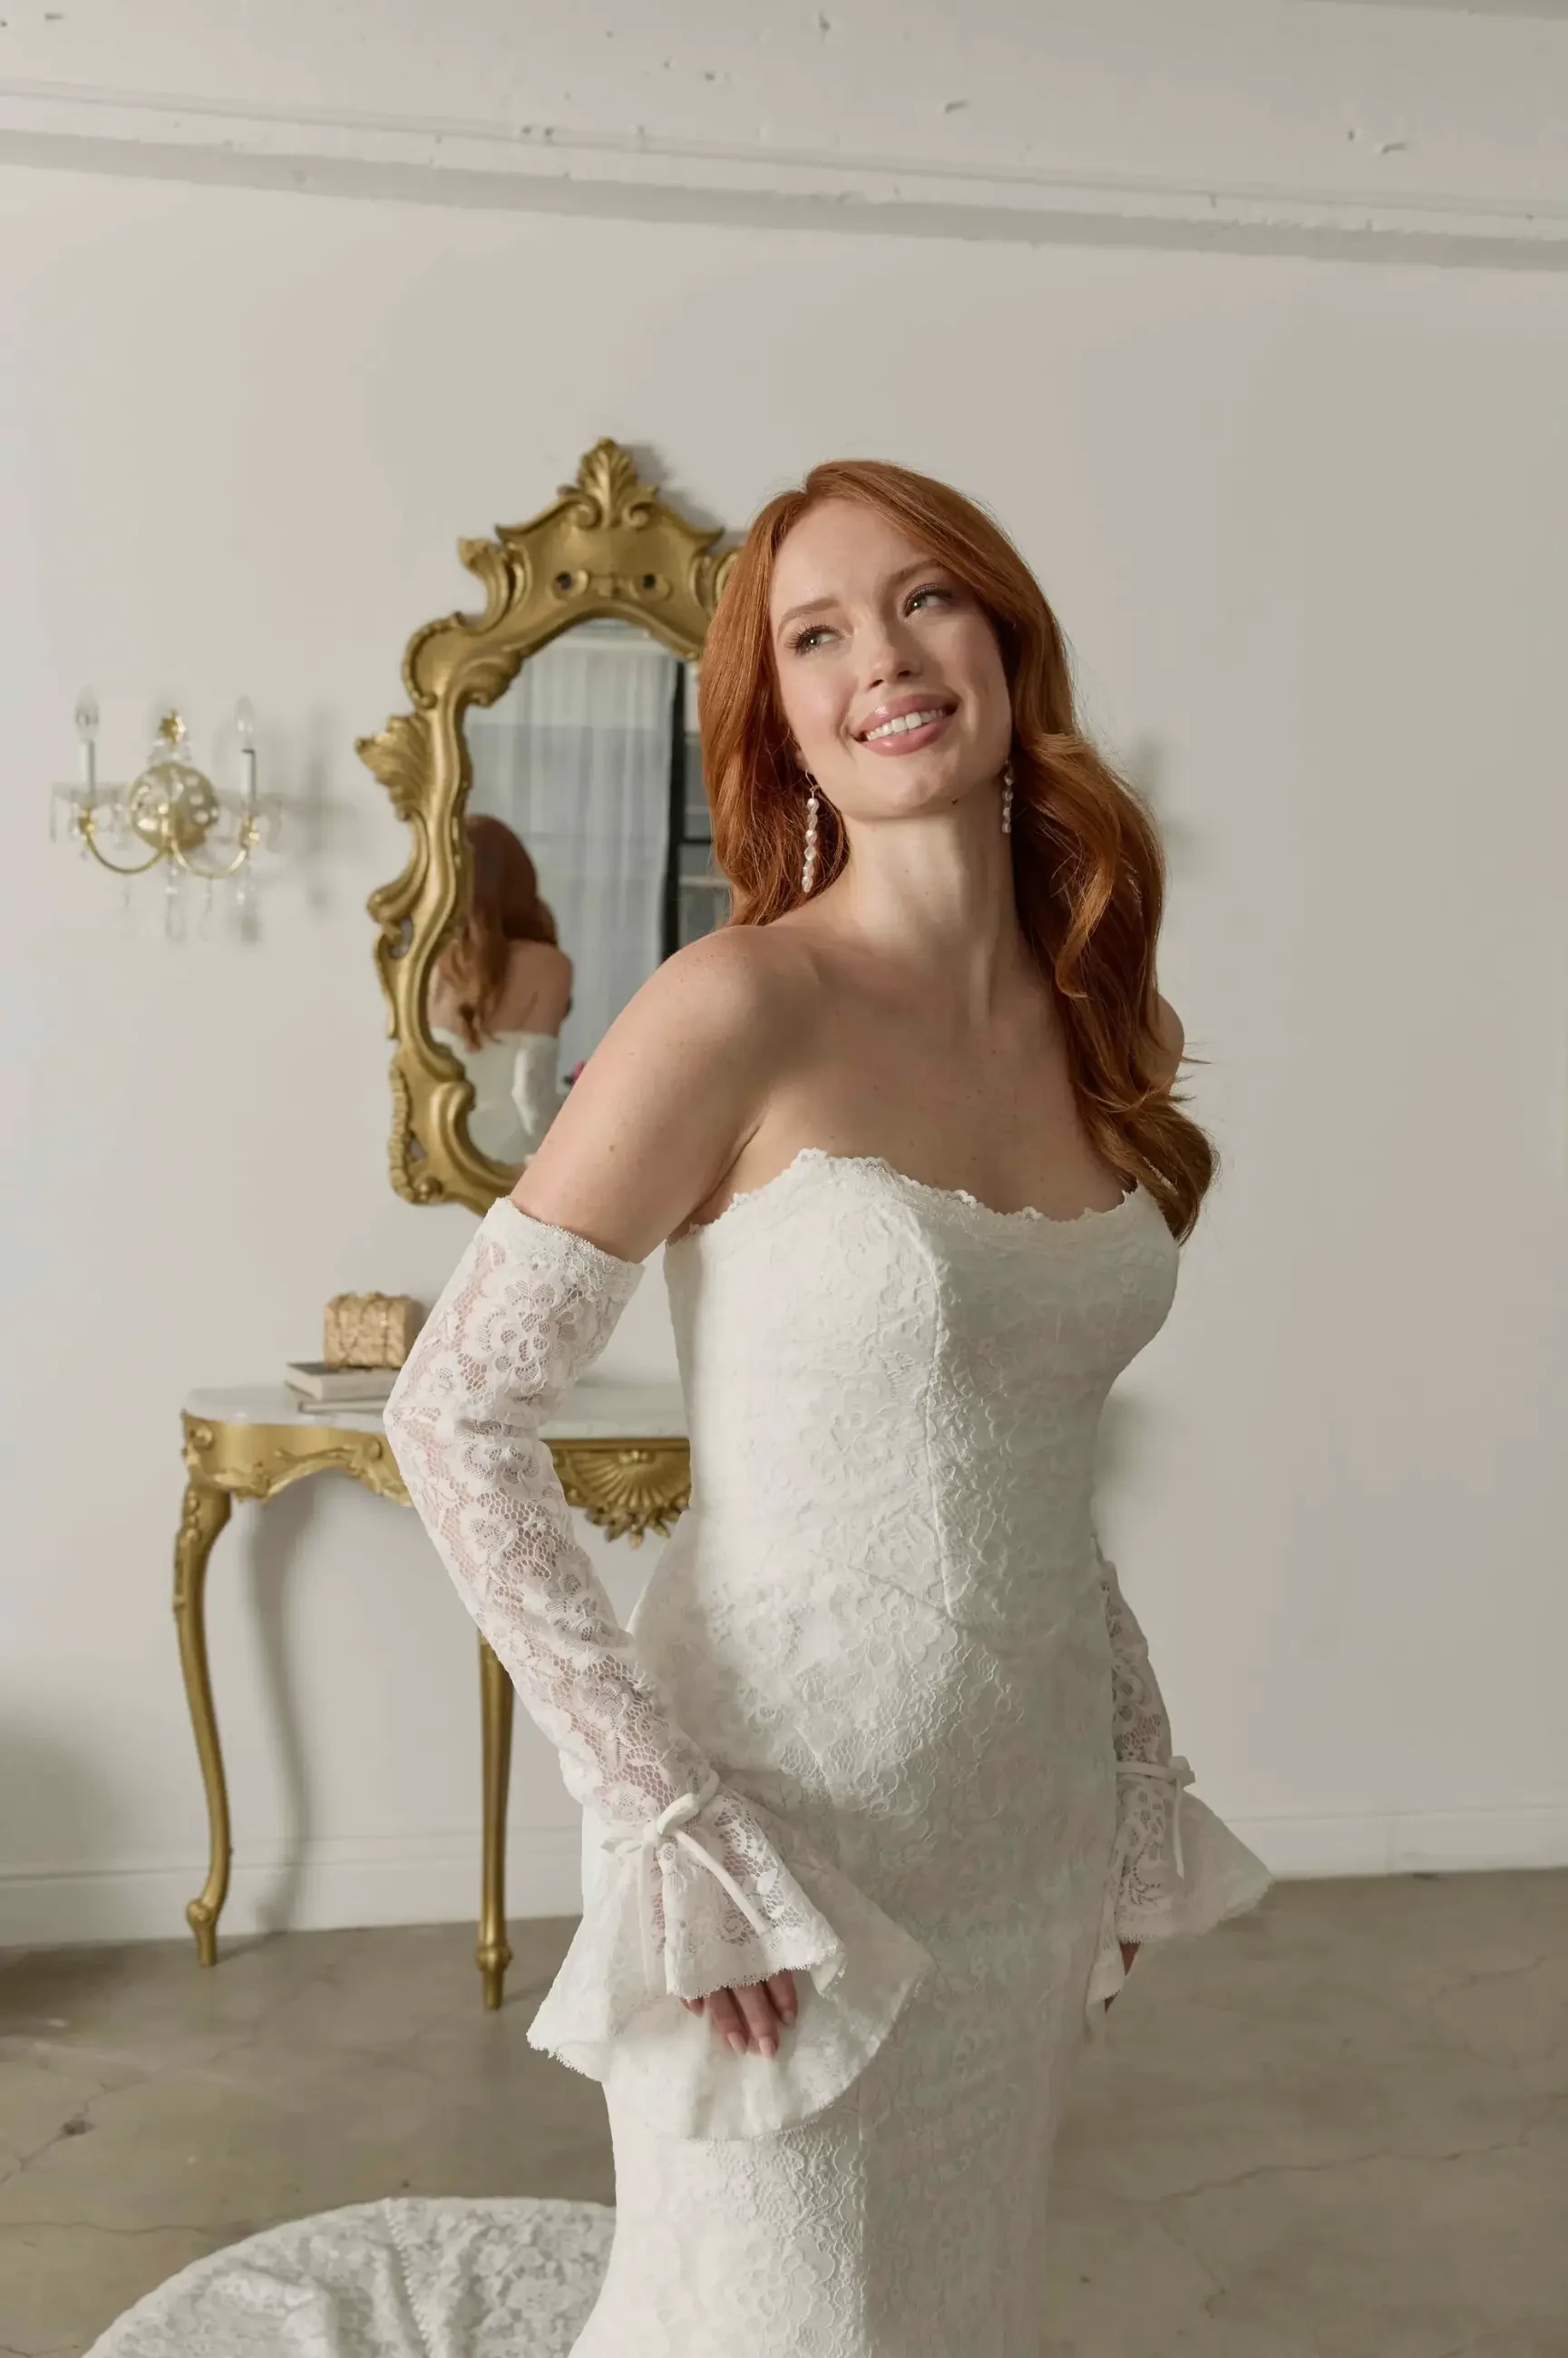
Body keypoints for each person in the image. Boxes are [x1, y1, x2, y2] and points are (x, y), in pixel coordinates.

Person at [379, 459, 1273, 2355]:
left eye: (922, 597)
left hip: (1021, 1825)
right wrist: (670, 1824)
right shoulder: (732, 1007)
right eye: (813, 634)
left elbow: (1025, 1466)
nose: (880, 656)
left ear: (1004, 642)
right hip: (784, 1850)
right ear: (775, 720)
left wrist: (1128, 1774)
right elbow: (451, 1417)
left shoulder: (1087, 1025)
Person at [427, 813, 573, 1161]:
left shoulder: (428, 961)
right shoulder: (549, 966)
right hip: (508, 1159)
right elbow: (530, 1095)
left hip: (436, 1151)